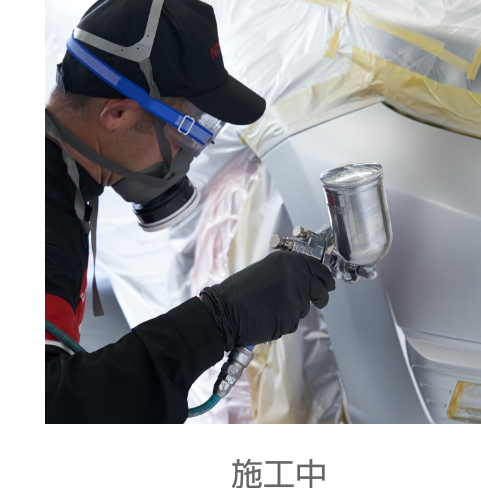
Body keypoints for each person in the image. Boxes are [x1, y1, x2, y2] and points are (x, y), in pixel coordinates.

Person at [44, 0, 335, 423]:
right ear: (117, 113)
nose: (186, 154)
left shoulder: (62, 188)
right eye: (184, 130)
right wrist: (217, 320)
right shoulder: (51, 228)